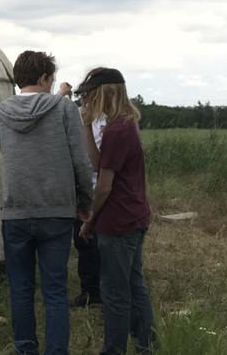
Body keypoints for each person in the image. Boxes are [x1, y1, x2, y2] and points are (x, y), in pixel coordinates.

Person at [0, 50, 94, 355]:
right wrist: (85, 202)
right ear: (44, 77)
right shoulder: (64, 109)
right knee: (55, 291)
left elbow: (9, 152)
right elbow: (80, 161)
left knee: (21, 290)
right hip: (56, 210)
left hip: (16, 210)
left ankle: (26, 350)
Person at [77, 69, 156, 355]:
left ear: (105, 92)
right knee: (134, 284)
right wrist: (87, 126)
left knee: (114, 293)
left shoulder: (115, 132)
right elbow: (97, 164)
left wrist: (89, 220)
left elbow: (103, 187)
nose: (86, 101)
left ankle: (113, 350)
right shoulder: (126, 124)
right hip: (134, 215)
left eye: (89, 95)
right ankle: (147, 346)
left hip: (117, 221)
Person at [68, 69, 108, 308]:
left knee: (100, 244)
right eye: (81, 95)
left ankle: (105, 293)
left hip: (101, 188)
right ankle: (90, 291)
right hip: (81, 189)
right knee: (82, 242)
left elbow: (96, 163)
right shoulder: (77, 116)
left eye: (88, 94)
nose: (84, 100)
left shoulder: (108, 120)